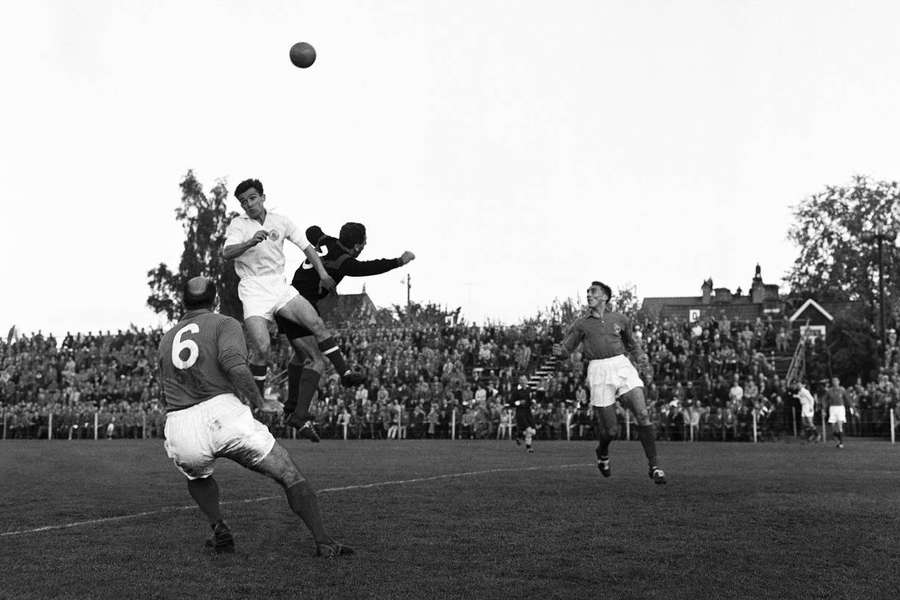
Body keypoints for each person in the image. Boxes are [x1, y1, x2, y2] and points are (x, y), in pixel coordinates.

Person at [157, 276, 352, 557]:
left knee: (196, 474)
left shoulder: (166, 338)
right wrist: (259, 402)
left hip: (180, 422)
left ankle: (218, 527)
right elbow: (234, 364)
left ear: (183, 302)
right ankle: (324, 542)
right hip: (223, 412)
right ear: (215, 301)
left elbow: (167, 384)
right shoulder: (224, 323)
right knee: (288, 472)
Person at [222, 179, 362, 427]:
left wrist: (323, 274)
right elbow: (227, 252)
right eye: (243, 201)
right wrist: (249, 242)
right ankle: (258, 403)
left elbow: (307, 248)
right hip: (253, 288)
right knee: (263, 348)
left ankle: (346, 373)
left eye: (252, 198)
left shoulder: (281, 221)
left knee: (316, 323)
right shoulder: (238, 225)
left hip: (279, 285)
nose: (249, 204)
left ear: (263, 197)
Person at [275, 222, 415, 440]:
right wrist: (399, 261)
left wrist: (319, 239)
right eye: (365, 241)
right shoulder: (345, 262)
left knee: (301, 355)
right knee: (317, 360)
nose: (366, 244)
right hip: (300, 305)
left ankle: (292, 406)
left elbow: (312, 230)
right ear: (358, 245)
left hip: (284, 299)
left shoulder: (327, 242)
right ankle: (329, 389)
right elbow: (371, 267)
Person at [555, 281, 666, 484]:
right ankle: (602, 451)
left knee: (642, 413)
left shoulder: (620, 319)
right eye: (588, 292)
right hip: (598, 370)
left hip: (621, 365)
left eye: (593, 292)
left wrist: (640, 356)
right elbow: (567, 349)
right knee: (611, 431)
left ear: (605, 296)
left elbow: (631, 343)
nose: (589, 295)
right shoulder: (581, 324)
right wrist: (560, 352)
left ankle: (654, 466)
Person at [507, 375, 536, 452]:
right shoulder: (516, 390)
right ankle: (529, 448)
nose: (523, 382)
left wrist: (533, 402)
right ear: (519, 381)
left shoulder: (529, 389)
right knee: (529, 431)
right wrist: (519, 402)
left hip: (528, 412)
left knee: (533, 431)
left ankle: (519, 435)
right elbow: (511, 403)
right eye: (522, 380)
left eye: (525, 380)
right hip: (520, 412)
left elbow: (530, 399)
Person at [824, 376, 848, 448]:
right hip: (832, 408)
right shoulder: (829, 390)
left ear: (839, 382)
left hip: (840, 408)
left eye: (836, 381)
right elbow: (824, 399)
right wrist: (824, 409)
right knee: (833, 427)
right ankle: (839, 438)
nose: (835, 382)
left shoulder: (842, 390)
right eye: (833, 381)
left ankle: (841, 443)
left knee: (840, 425)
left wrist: (853, 409)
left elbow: (848, 399)